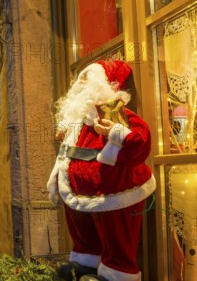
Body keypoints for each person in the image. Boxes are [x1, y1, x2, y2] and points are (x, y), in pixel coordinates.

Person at [47, 60, 156, 281]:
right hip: (80, 193)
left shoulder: (112, 110)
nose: (81, 82)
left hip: (114, 192)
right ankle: (86, 264)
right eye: (81, 78)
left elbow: (140, 141)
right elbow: (66, 153)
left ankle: (117, 274)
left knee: (116, 236)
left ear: (102, 84)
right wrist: (58, 178)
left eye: (87, 78)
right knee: (84, 232)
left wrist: (116, 131)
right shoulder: (77, 118)